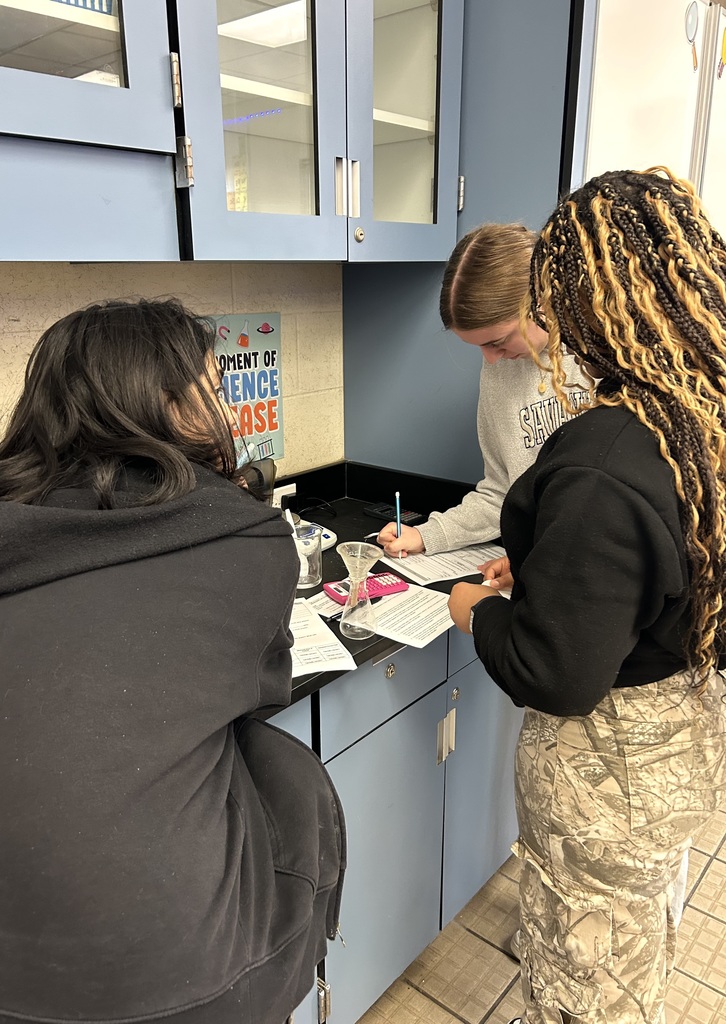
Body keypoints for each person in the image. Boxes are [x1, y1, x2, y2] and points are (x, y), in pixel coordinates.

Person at [0, 299, 345, 1024]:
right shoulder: (243, 537)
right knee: (285, 767)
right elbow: (258, 686)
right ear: (166, 405)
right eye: (214, 390)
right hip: (190, 978)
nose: (226, 406)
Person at [448, 167, 726, 1024]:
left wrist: (479, 610)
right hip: (678, 731)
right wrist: (551, 573)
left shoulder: (606, 456)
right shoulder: (693, 410)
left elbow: (557, 672)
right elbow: (655, 568)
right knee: (632, 949)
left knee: (586, 991)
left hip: (611, 774)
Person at [377, 223, 590, 563]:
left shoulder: (604, 359)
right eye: (480, 347)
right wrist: (425, 535)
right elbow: (502, 492)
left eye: (497, 342)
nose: (490, 359)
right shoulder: (499, 368)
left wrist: (538, 562)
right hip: (544, 567)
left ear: (540, 300)